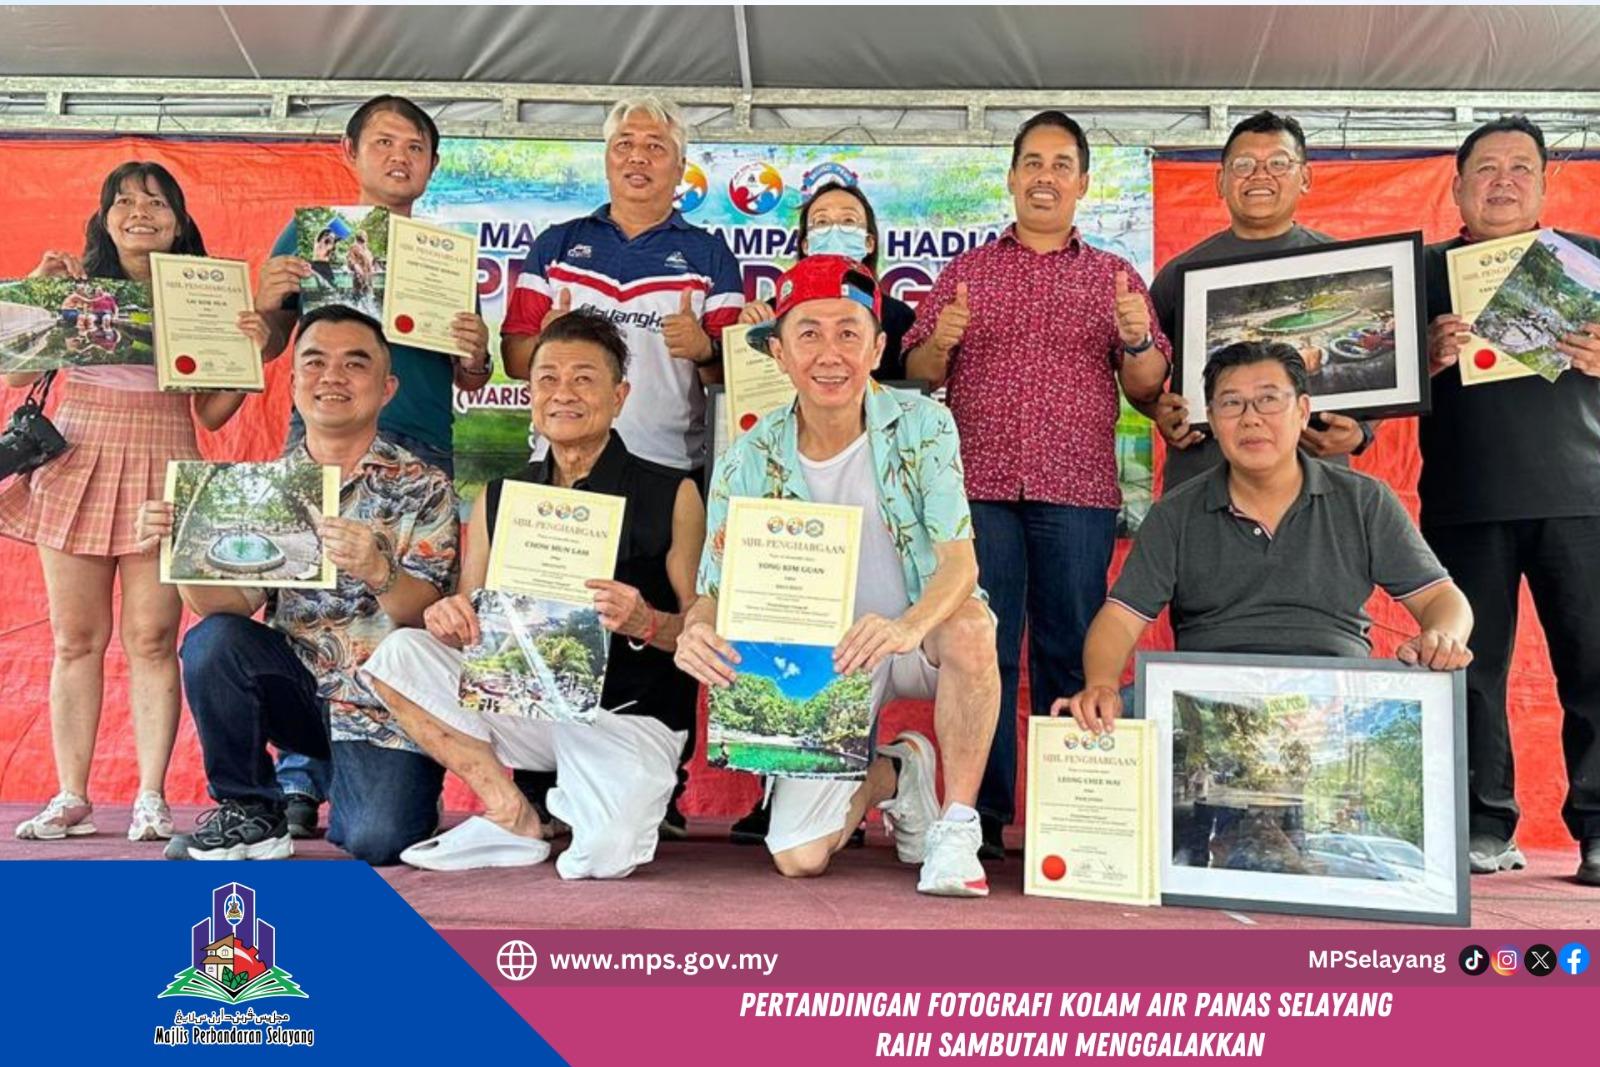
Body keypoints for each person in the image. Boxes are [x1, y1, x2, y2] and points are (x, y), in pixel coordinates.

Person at [677, 255, 1002, 897]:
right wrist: (696, 629)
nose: (830, 353)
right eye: (809, 333)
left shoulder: (924, 426)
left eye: (849, 333)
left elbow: (959, 564)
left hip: (910, 639)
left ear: (879, 348)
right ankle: (895, 773)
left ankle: (957, 827)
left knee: (970, 627)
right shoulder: (748, 455)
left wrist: (907, 627)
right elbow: (715, 588)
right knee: (799, 857)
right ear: (779, 354)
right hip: (819, 665)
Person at [902, 110, 1171, 860]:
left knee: (1067, 651)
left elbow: (1150, 388)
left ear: (1083, 183)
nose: (1045, 176)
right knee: (985, 649)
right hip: (978, 489)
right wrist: (943, 341)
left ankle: (1065, 815)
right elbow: (920, 373)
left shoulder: (1114, 277)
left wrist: (1136, 337)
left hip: (1076, 492)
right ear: (1012, 177)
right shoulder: (968, 273)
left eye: (1061, 164)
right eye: (1032, 162)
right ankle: (977, 815)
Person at [360, 309, 704, 877]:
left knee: (601, 860)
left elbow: (699, 626)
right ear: (529, 394)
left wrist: (646, 621)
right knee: (399, 655)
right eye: (547, 379)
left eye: (583, 379)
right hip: (531, 709)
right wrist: (450, 615)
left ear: (620, 396)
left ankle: (601, 798)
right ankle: (510, 815)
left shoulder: (673, 492)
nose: (562, 393)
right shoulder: (501, 495)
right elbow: (472, 614)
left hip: (628, 718)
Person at [499, 94, 745, 837]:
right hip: (562, 468)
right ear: (606, 158)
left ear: (680, 165)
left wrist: (704, 345)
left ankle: (658, 789)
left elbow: (742, 375)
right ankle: (540, 786)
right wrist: (542, 336)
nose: (638, 157)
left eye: (655, 146)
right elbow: (516, 358)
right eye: (624, 144)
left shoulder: (707, 254)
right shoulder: (556, 243)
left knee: (665, 621)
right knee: (551, 615)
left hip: (668, 468)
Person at [134, 306, 460, 862]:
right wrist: (182, 550)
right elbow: (230, 607)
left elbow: (426, 614)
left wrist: (381, 571)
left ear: (387, 388)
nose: (332, 377)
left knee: (378, 840)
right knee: (212, 640)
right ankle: (252, 810)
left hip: (388, 707)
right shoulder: (262, 485)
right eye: (315, 362)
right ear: (292, 384)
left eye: (354, 364)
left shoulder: (424, 484)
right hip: (303, 696)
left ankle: (381, 789)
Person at [251, 94, 491, 838]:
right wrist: (265, 303)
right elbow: (262, 347)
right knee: (301, 595)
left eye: (414, 147)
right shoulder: (309, 234)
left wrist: (476, 353)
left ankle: (389, 756)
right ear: (350, 154)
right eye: (383, 142)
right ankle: (298, 774)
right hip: (321, 444)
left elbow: (473, 379)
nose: (399, 157)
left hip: (418, 450)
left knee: (400, 608)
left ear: (431, 167)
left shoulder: (445, 257)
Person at [2, 162, 249, 844]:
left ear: (180, 219)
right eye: (124, 200)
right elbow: (17, 372)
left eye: (156, 200)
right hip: (78, 458)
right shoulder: (73, 284)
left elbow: (216, 412)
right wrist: (38, 294)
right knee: (74, 639)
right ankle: (71, 795)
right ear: (105, 217)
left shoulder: (204, 292)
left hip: (166, 464)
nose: (139, 210)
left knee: (152, 640)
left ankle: (150, 796)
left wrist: (245, 358)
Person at [1057, 340, 1473, 738]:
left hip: (1333, 697)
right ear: (1214, 421)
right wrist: (1101, 684)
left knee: (1409, 723)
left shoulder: (1363, 500)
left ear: (1303, 410)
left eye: (1269, 399)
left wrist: (1444, 637)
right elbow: (1120, 618)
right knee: (1087, 725)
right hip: (1206, 697)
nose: (1251, 418)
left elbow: (1442, 599)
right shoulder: (1175, 513)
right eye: (1232, 403)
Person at [1420, 116, 1600, 885]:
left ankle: (1597, 827)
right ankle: (1481, 826)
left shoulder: (1587, 262)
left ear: (1544, 184)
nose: (1502, 180)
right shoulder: (1422, 273)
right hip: (1465, 499)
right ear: (1456, 186)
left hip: (1583, 498)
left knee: (1594, 665)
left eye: (1520, 168)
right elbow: (1371, 388)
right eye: (1485, 167)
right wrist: (1424, 358)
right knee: (1470, 667)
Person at [1142, 110, 1376, 490]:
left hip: (1313, 483)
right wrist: (1159, 412)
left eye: (1279, 163)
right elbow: (1143, 376)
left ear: (1306, 177)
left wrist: (1363, 432)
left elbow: (1387, 375)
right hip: (1203, 483)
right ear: (1220, 181)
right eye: (1244, 164)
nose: (1260, 175)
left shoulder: (1345, 267)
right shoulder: (1179, 274)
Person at [737, 181, 917, 381]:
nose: (834, 230)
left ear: (869, 242)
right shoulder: (773, 313)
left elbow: (909, 391)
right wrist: (744, 330)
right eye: (821, 222)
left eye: (848, 220)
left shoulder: (899, 317)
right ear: (805, 244)